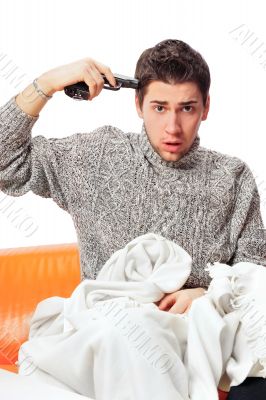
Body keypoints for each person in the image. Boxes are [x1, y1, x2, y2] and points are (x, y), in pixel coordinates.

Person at [0, 39, 265, 398]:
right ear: (138, 104)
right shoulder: (98, 157)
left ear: (206, 108)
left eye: (187, 108)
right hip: (111, 338)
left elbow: (255, 274)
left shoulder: (232, 177)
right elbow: (5, 161)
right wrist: (47, 83)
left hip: (200, 342)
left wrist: (207, 293)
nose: (172, 126)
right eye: (159, 107)